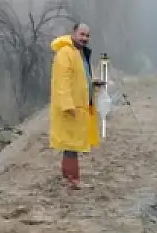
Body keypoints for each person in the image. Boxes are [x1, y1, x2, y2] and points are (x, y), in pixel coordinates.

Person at [49, 23, 103, 190]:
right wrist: (67, 105)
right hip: (70, 108)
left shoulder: (79, 53)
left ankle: (68, 176)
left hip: (79, 106)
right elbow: (62, 82)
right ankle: (73, 179)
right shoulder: (65, 53)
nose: (85, 38)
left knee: (71, 145)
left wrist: (93, 83)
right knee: (71, 146)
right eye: (82, 34)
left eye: (87, 35)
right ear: (73, 33)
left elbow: (80, 78)